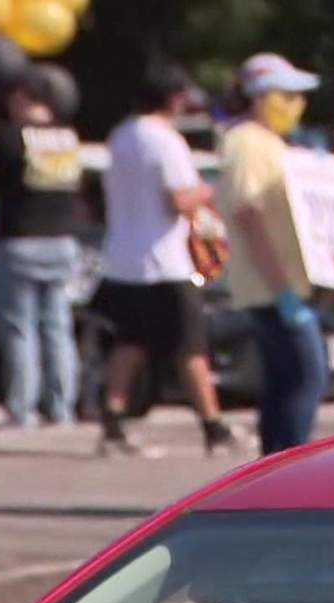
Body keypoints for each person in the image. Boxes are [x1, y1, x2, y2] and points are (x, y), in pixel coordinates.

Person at [92, 64, 239, 457]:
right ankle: (213, 426)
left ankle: (113, 419)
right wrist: (210, 189)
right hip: (165, 262)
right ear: (173, 98)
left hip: (125, 260)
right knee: (191, 347)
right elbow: (178, 199)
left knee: (130, 342)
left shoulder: (121, 136)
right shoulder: (165, 141)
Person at [215, 53, 327, 454]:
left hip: (284, 284)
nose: (295, 104)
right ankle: (288, 470)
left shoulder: (269, 142)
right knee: (307, 379)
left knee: (284, 385)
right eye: (286, 94)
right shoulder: (246, 142)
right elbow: (249, 214)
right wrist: (282, 289)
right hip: (272, 287)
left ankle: (275, 469)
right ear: (258, 96)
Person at [0, 70, 86, 429]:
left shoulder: (10, 138)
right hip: (62, 239)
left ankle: (21, 409)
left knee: (20, 328)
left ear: (24, 98)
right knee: (58, 327)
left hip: (20, 239)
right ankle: (62, 408)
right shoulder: (68, 138)